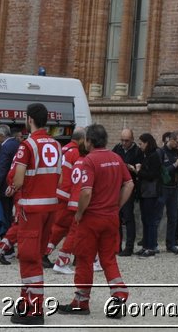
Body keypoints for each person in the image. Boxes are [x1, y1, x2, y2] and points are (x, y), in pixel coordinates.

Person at [63, 123, 132, 319]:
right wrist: (116, 206)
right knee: (108, 258)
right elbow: (129, 183)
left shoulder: (90, 160)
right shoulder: (116, 158)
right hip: (111, 218)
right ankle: (119, 294)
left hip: (91, 218)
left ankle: (81, 301)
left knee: (84, 258)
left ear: (89, 141)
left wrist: (79, 212)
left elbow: (86, 191)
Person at [8, 102, 62, 325]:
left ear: (29, 119)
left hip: (31, 209)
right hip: (50, 207)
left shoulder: (27, 145)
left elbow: (19, 178)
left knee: (28, 259)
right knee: (35, 257)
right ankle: (26, 301)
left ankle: (34, 309)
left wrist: (13, 187)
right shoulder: (57, 145)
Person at [44, 127, 86, 275]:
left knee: (60, 227)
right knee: (72, 229)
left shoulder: (64, 149)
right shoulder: (76, 153)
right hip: (68, 195)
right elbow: (76, 178)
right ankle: (64, 258)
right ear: (82, 140)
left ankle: (45, 252)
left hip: (58, 193)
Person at [0, 122, 25, 264]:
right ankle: (10, 248)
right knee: (14, 218)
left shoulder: (6, 147)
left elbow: (2, 169)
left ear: (1, 135)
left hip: (6, 189)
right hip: (17, 188)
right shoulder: (17, 144)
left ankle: (6, 250)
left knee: (5, 218)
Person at [114, 128, 142, 256]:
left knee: (128, 217)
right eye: (122, 140)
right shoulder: (117, 149)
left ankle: (129, 247)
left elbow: (140, 170)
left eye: (126, 141)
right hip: (117, 187)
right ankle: (117, 245)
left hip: (129, 187)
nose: (124, 143)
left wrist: (131, 168)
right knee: (117, 218)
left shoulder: (137, 152)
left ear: (132, 140)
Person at [134, 132, 163, 257]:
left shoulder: (154, 156)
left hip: (151, 192)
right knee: (145, 220)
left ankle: (151, 247)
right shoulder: (147, 155)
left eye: (141, 143)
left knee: (150, 220)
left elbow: (152, 175)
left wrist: (138, 171)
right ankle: (146, 245)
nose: (140, 146)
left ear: (147, 143)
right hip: (145, 192)